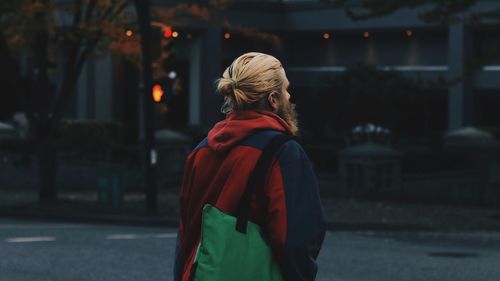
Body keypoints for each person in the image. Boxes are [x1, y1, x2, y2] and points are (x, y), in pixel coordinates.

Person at [174, 52, 326, 281]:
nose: (289, 95)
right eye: (286, 89)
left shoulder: (200, 151)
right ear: (274, 99)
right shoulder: (283, 153)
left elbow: (186, 231)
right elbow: (294, 238)